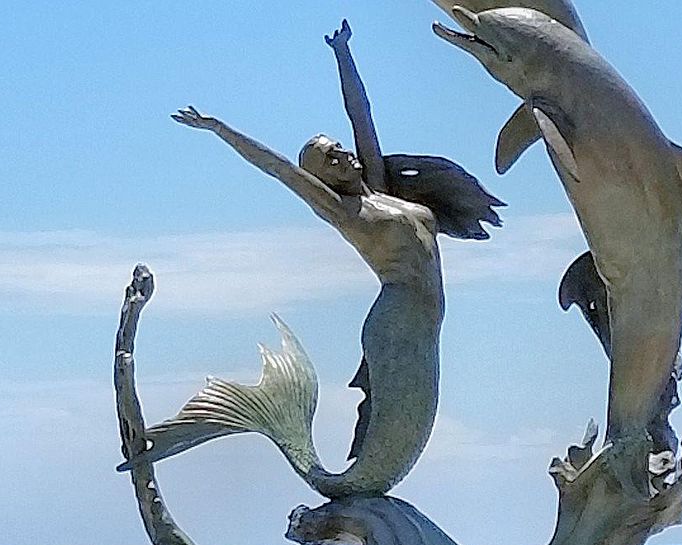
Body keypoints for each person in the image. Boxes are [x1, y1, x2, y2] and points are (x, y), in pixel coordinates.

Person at [126, 21, 502, 500]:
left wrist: (342, 54)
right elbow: (279, 168)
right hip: (397, 325)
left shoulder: (380, 188)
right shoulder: (345, 211)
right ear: (323, 179)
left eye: (337, 148)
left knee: (402, 443)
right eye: (329, 158)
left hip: (423, 326)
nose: (342, 154)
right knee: (386, 457)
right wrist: (219, 129)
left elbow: (361, 115)